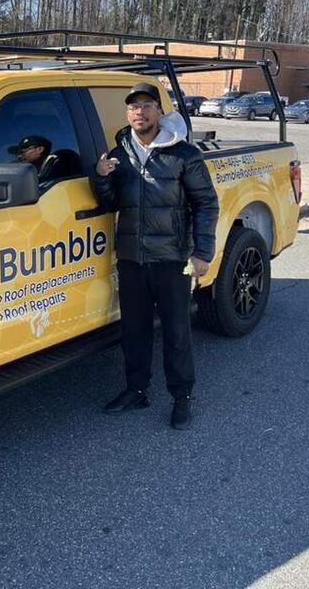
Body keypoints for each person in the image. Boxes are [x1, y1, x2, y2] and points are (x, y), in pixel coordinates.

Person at [90, 82, 219, 430]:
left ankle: (182, 396)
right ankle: (137, 390)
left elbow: (206, 204)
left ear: (160, 112)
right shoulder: (119, 154)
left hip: (172, 259)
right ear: (127, 113)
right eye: (134, 107)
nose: (140, 112)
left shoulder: (184, 154)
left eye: (147, 105)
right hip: (132, 259)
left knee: (177, 333)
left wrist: (202, 252)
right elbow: (111, 203)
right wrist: (101, 178)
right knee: (134, 330)